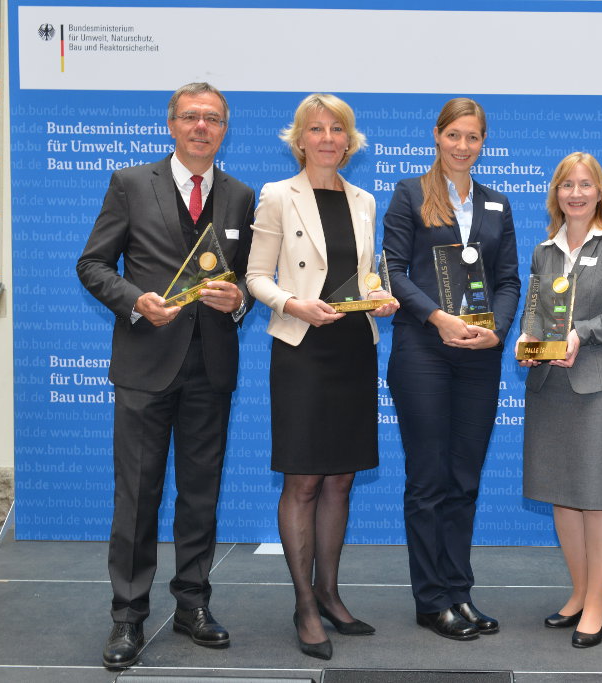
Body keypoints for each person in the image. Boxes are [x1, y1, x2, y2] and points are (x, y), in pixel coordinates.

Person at [77, 82, 255, 670]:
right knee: (138, 496)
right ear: (171, 125)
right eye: (190, 117)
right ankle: (127, 617)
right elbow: (93, 263)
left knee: (200, 495)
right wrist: (134, 301)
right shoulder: (131, 184)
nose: (201, 127)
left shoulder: (239, 195)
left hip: (213, 366)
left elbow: (248, 280)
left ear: (224, 129)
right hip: (145, 363)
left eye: (213, 119)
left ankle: (192, 605)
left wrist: (240, 302)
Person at [245, 93, 398, 661]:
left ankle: (332, 594)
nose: (328, 137)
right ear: (300, 138)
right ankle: (304, 603)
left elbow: (363, 275)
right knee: (304, 481)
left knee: (341, 480)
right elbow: (256, 276)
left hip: (354, 347)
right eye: (317, 129)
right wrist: (291, 303)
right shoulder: (277, 196)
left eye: (338, 128)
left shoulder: (363, 199)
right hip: (304, 350)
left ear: (350, 139)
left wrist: (380, 297)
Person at [383, 97, 520, 641]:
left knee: (464, 479)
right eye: (454, 136)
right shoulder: (410, 193)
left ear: (483, 143)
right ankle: (430, 599)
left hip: (479, 356)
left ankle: (459, 593)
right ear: (437, 136)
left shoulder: (496, 204)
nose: (464, 147)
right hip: (424, 352)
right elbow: (392, 270)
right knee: (429, 478)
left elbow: (508, 279)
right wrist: (437, 318)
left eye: (474, 138)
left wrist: (497, 330)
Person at [518, 152, 602, 649]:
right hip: (551, 387)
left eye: (585, 185)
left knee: (598, 498)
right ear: (556, 193)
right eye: (566, 185)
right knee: (563, 493)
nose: (575, 193)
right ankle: (578, 593)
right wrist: (527, 343)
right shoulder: (543, 251)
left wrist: (583, 333)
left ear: (600, 192)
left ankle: (597, 602)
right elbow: (535, 311)